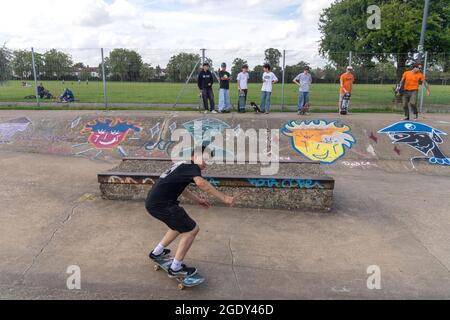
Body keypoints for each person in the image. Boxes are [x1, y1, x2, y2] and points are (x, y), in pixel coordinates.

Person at [146, 146, 236, 278]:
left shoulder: (182, 165)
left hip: (154, 203)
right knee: (191, 230)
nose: (206, 164)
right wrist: (225, 198)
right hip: (162, 205)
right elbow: (201, 183)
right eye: (204, 160)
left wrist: (198, 200)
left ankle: (157, 252)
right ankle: (176, 268)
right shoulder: (192, 167)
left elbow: (181, 188)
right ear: (195, 156)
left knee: (178, 226)